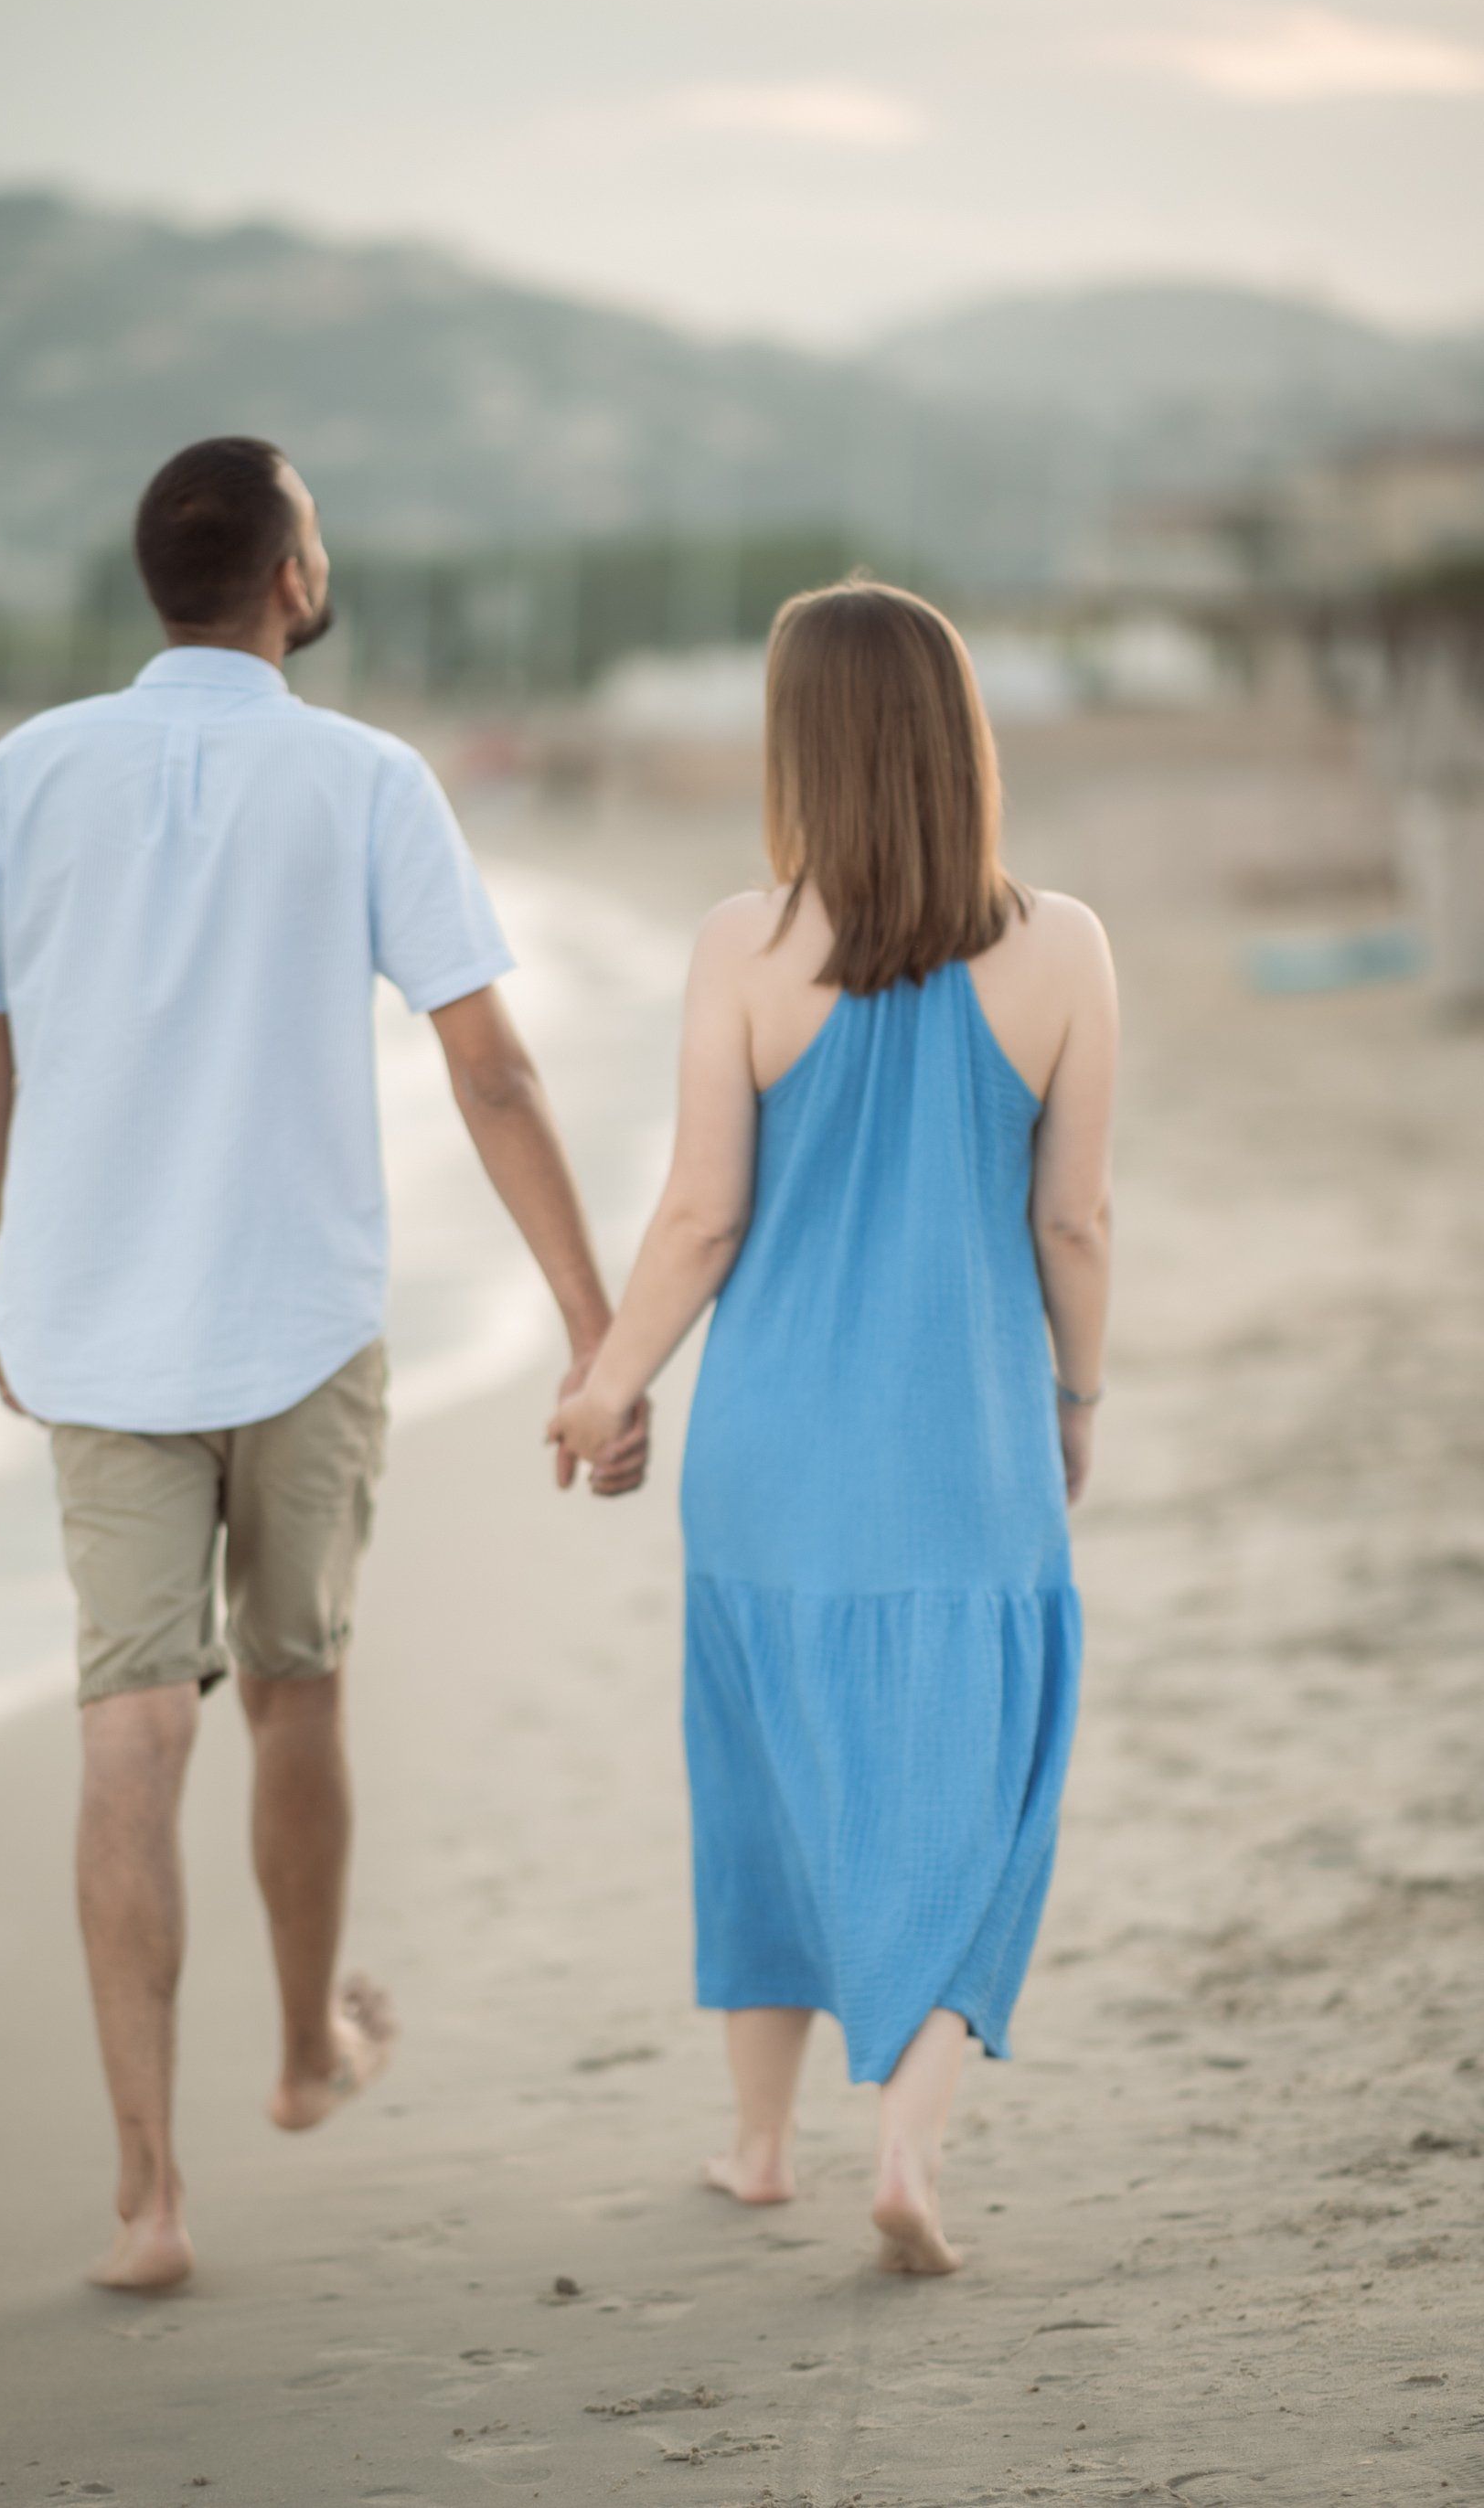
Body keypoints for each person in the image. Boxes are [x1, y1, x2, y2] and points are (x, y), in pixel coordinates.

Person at [0, 436, 646, 2294]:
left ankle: (147, 2200)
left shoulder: (23, 772)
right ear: (293, 577)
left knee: (131, 1725)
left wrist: (8, 1293)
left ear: (158, 578)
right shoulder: (367, 777)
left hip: (93, 1330)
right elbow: (491, 1067)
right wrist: (594, 1322)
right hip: (301, 1321)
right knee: (295, 1689)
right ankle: (307, 2053)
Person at [549, 577, 1116, 2274]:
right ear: (960, 738)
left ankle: (759, 2144)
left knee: (767, 1772)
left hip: (773, 1452)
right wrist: (1076, 1397)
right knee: (976, 1791)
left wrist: (610, 1380)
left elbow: (700, 1217)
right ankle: (909, 2147)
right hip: (967, 1446)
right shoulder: (1066, 948)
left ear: (800, 744)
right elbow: (1074, 1223)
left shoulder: (743, 942)